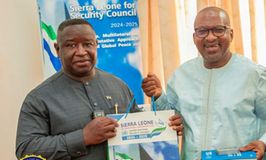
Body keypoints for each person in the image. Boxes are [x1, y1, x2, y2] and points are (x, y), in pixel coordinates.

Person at [16, 19, 183, 160]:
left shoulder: (118, 85)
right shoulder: (39, 98)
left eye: (87, 44)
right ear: (57, 49)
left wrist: (167, 128)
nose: (81, 52)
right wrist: (82, 138)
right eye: (71, 45)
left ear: (96, 45)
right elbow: (25, 149)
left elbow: (139, 133)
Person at [142, 6, 266, 160]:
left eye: (218, 29)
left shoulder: (253, 74)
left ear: (231, 34)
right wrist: (159, 96)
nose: (210, 37)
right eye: (202, 31)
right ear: (194, 37)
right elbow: (174, 120)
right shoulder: (182, 75)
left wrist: (265, 143)